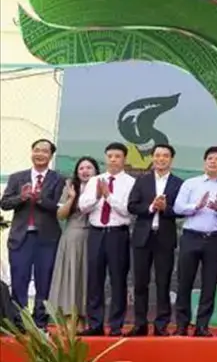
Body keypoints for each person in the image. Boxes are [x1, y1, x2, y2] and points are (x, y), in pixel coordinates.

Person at [1, 138, 64, 327]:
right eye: (37, 150)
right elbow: (5, 203)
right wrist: (22, 197)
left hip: (47, 239)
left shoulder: (58, 179)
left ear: (51, 156)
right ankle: (20, 321)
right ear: (32, 152)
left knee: (44, 280)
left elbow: (58, 208)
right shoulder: (17, 177)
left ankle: (40, 321)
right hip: (21, 238)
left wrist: (39, 198)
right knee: (19, 279)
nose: (40, 154)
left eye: (45, 151)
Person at [78, 142, 135, 336]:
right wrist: (97, 196)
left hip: (118, 233)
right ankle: (95, 324)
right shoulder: (95, 180)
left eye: (117, 156)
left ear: (124, 159)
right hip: (96, 232)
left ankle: (116, 325)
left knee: (118, 279)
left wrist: (108, 197)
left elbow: (127, 210)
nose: (113, 160)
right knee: (94, 278)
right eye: (110, 156)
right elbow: (83, 207)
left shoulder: (130, 182)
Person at [172, 147, 217, 336]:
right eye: (210, 158)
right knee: (184, 282)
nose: (213, 162)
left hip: (215, 238)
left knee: (210, 283)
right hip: (191, 236)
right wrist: (195, 206)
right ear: (204, 162)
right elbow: (178, 208)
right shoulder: (191, 183)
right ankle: (182, 324)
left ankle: (202, 326)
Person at [126, 143, 183, 335]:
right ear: (152, 158)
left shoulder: (178, 183)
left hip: (164, 238)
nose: (161, 159)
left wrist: (165, 208)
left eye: (165, 156)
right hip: (142, 238)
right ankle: (140, 324)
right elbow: (132, 206)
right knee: (140, 283)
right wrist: (151, 207)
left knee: (163, 282)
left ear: (171, 159)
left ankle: (161, 325)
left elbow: (181, 210)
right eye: (157, 155)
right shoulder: (142, 181)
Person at [48, 156, 98, 318]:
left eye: (89, 168)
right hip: (73, 236)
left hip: (95, 235)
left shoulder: (102, 185)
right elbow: (61, 215)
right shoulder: (70, 186)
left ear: (96, 171)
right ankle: (70, 315)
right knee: (72, 276)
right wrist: (71, 198)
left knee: (89, 277)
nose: (85, 171)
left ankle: (87, 316)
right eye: (81, 168)